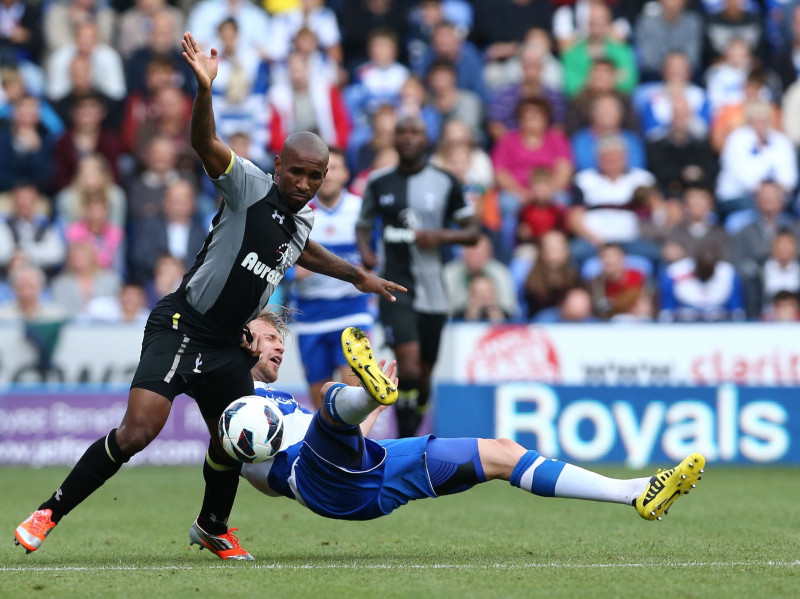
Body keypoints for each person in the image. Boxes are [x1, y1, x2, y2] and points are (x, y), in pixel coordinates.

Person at [14, 31, 405, 561]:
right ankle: (49, 511)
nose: (305, 183)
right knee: (136, 432)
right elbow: (204, 145)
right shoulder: (248, 186)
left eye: (315, 176)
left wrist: (357, 276)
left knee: (234, 439)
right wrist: (205, 91)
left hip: (227, 343)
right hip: (184, 326)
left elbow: (302, 249)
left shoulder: (301, 219)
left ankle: (212, 526)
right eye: (297, 171)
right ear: (278, 164)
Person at [238, 313, 705, 535]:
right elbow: (264, 475)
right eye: (268, 338)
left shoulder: (278, 400)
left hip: (364, 478)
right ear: (242, 343)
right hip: (318, 481)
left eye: (281, 339)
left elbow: (346, 450)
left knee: (503, 452)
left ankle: (635, 492)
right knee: (330, 399)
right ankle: (360, 391)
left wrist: (375, 413)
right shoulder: (235, 404)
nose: (280, 346)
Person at [356, 113, 480, 438]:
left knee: (423, 376)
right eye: (403, 132)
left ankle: (414, 421)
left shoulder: (446, 181)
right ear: (395, 139)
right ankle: (404, 441)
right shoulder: (379, 182)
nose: (409, 137)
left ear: (426, 139)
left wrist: (441, 236)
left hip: (434, 292)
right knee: (407, 369)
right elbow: (363, 223)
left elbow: (473, 232)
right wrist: (366, 252)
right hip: (394, 287)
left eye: (415, 132)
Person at [290, 147, 373, 408]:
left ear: (345, 173)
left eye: (334, 168)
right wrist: (294, 272)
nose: (328, 176)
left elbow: (380, 255)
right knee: (321, 402)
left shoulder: (362, 210)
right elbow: (278, 260)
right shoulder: (298, 212)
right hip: (311, 315)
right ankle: (330, 449)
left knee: (355, 396)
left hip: (352, 311)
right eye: (322, 171)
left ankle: (357, 449)